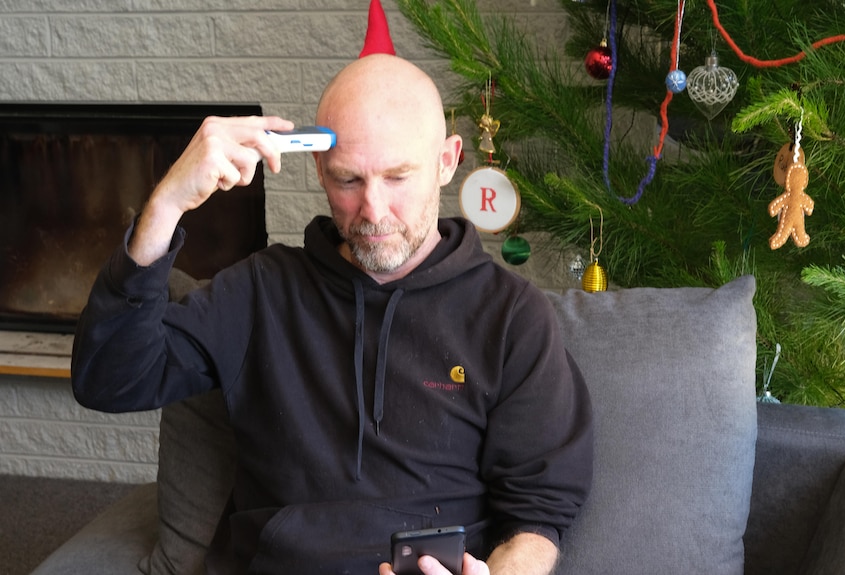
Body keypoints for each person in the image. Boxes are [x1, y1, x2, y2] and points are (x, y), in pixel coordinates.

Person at [72, 48, 592, 575]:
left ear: (447, 162)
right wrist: (166, 207)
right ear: (319, 168)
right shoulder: (260, 290)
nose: (373, 210)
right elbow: (108, 380)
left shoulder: (510, 315)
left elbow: (538, 515)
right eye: (349, 180)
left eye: (397, 177)